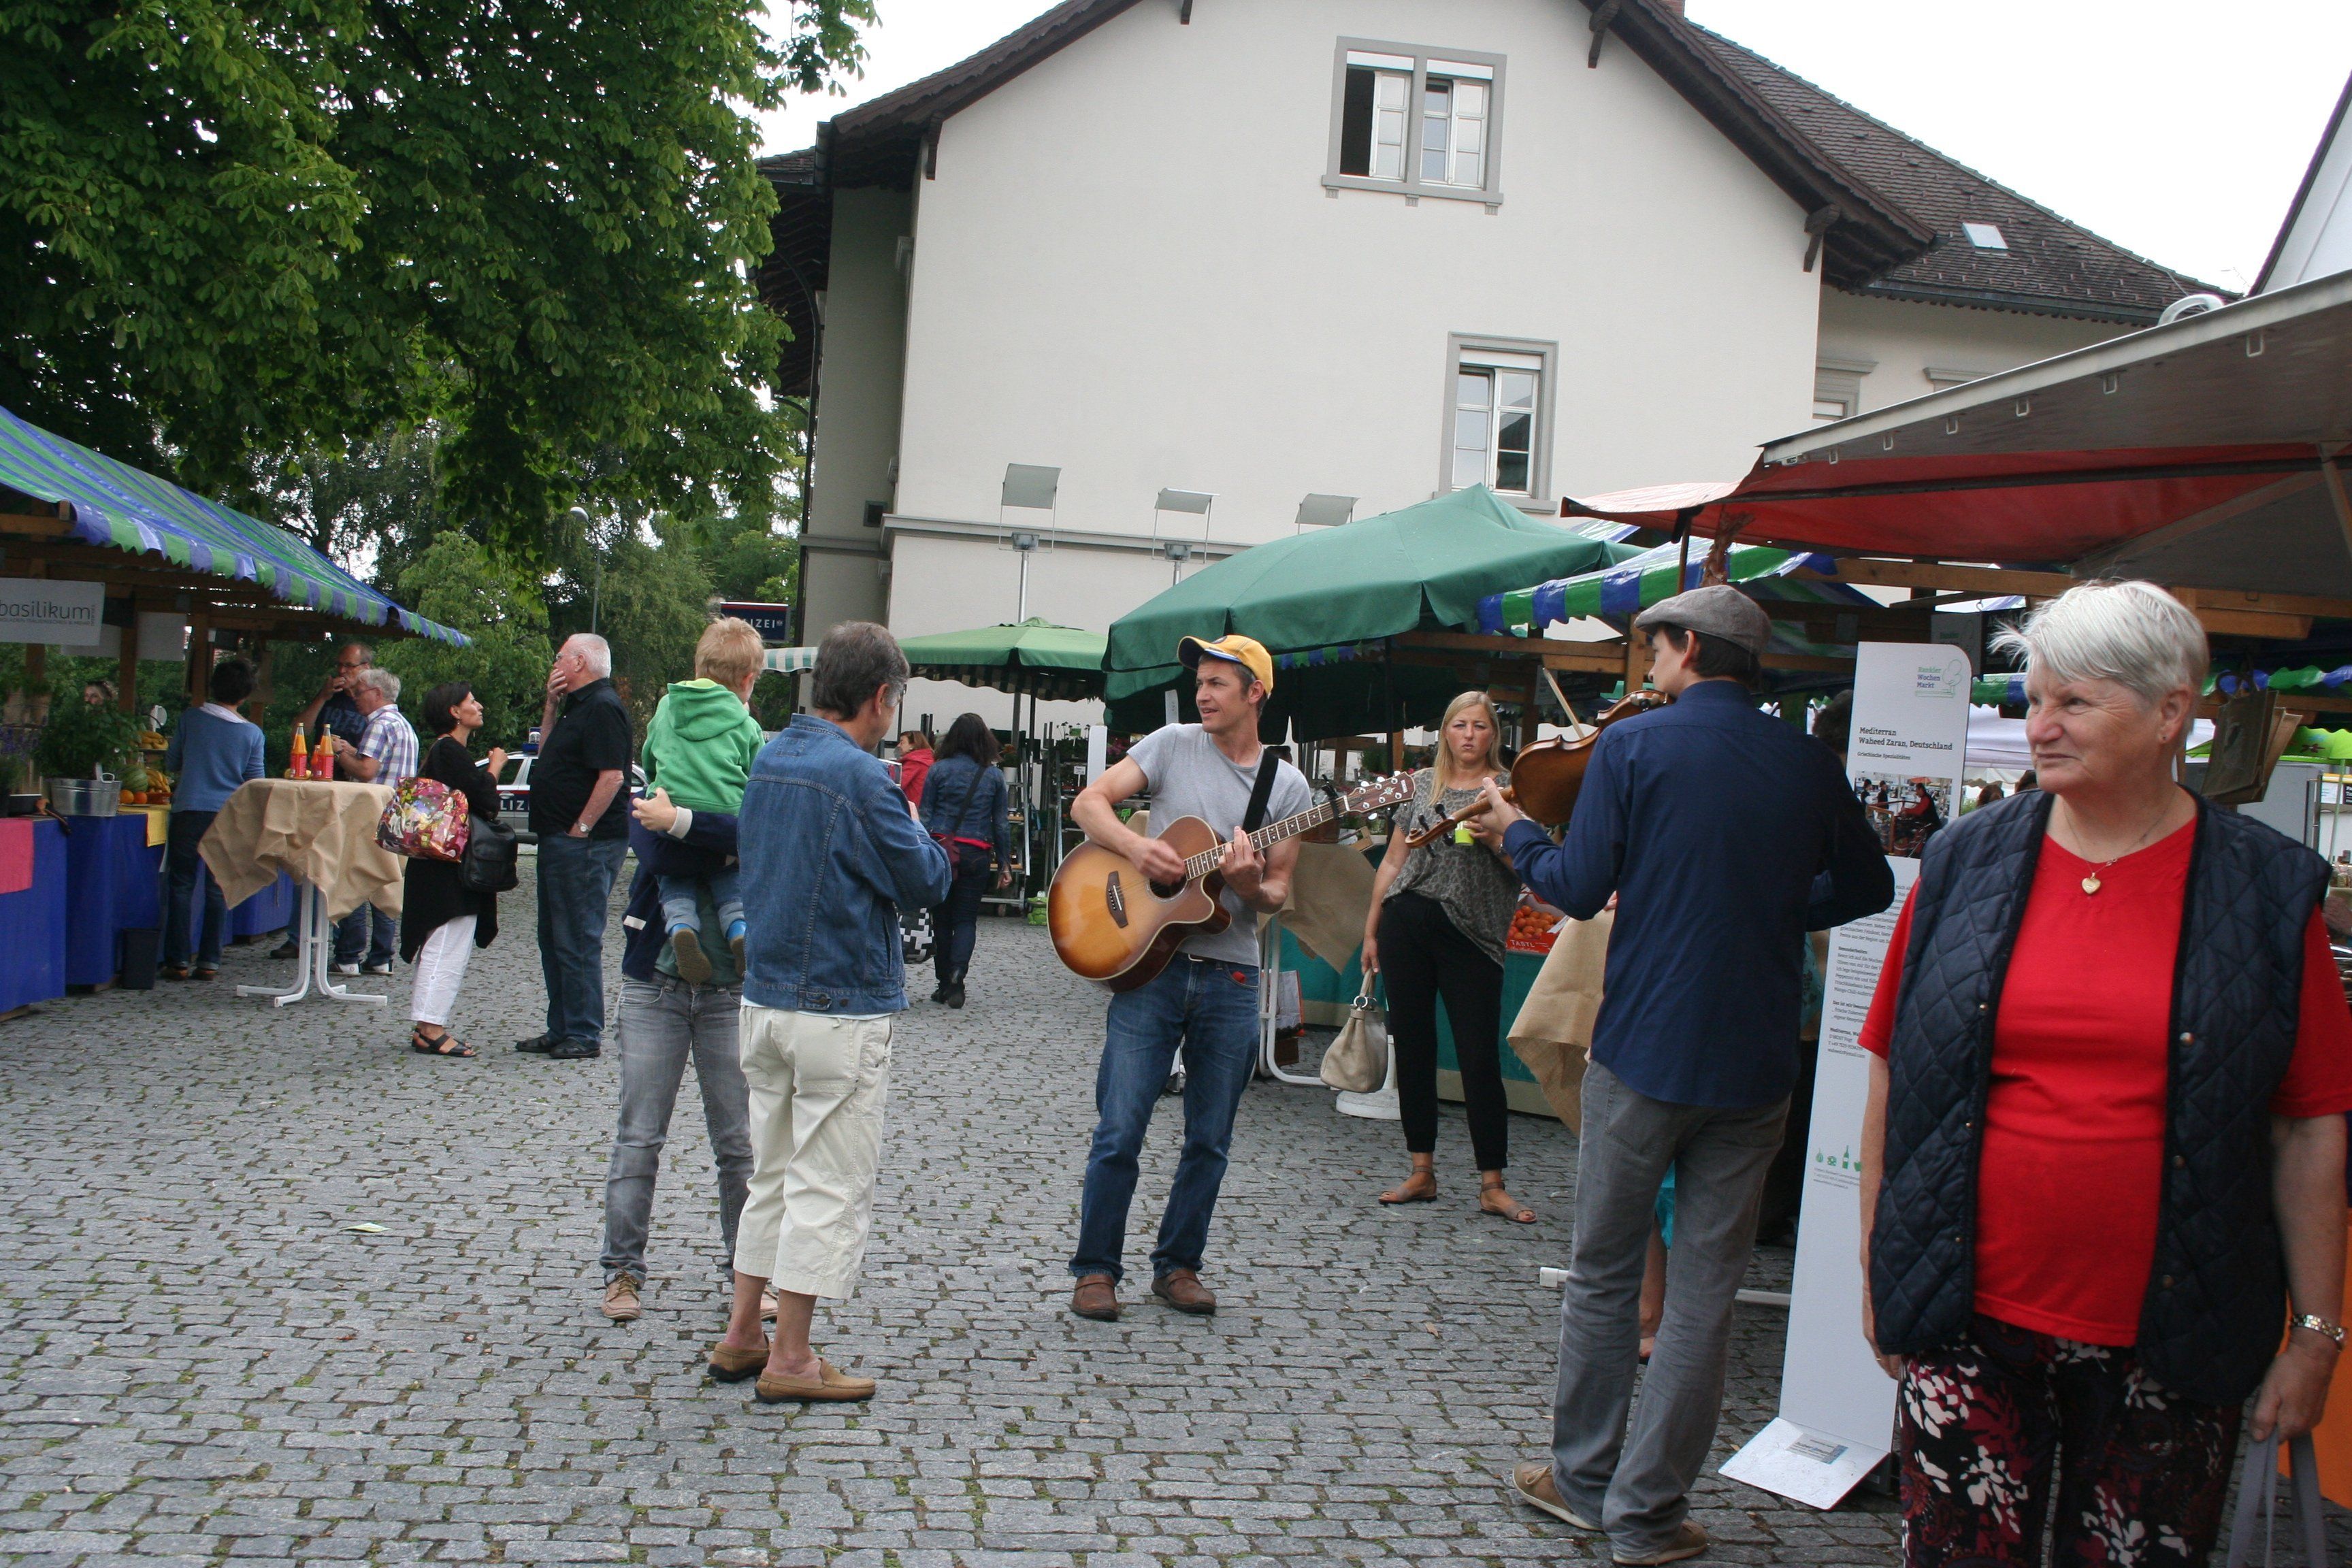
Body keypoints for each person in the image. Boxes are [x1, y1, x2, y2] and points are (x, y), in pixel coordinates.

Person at [1859, 581, 2352, 1566]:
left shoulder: (2265, 889)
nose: (2039, 726)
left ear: (2171, 711)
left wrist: (2315, 1334)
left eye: (2074, 702)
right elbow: (1894, 1075)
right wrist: (1880, 1266)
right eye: (2034, 699)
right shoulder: (1963, 861)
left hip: (2180, 1333)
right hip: (1966, 1317)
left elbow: (2310, 1124)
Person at [1489, 585, 1891, 1566]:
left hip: (1646, 1047)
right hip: (1755, 1060)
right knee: (1706, 1297)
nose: (1649, 662)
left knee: (1603, 1276)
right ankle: (1651, 1515)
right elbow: (1870, 883)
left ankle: (1583, 1483)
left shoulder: (1634, 746)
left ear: (1687, 647)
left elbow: (1576, 885)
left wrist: (1513, 831)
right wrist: (1772, 908)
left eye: (1655, 646)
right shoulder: (1806, 761)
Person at [705, 622, 949, 1403]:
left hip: (765, 999)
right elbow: (927, 879)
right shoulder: (864, 778)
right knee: (826, 1184)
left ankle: (742, 1335)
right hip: (838, 1008)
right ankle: (792, 1359)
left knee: (771, 1176)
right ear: (880, 697)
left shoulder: (770, 756)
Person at [1063, 634, 1311, 1322]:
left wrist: (1249, 883)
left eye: (1217, 683)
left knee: (1210, 1137)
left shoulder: (1287, 787)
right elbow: (1089, 804)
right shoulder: (1172, 745)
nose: (1202, 694)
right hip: (1154, 966)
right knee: (1121, 1127)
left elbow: (1278, 891)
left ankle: (1178, 1266)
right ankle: (1096, 1270)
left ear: (1255, 693)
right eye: (1200, 682)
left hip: (1232, 975)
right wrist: (1139, 846)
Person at [1362, 690, 1531, 1222]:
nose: (1469, 735)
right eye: (1460, 725)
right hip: (1407, 921)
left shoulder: (1508, 789)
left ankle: (1492, 1181)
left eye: (1479, 726)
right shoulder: (1421, 786)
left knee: (1478, 1056)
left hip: (1473, 933)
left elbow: (1530, 864)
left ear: (1493, 734)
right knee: (1413, 1048)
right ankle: (1421, 1169)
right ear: (1446, 732)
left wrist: (1496, 841)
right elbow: (1393, 863)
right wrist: (1371, 930)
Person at [598, 784, 756, 1324]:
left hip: (730, 992)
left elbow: (756, 838)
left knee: (740, 1144)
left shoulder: (746, 793)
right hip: (654, 987)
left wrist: (686, 826)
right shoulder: (648, 797)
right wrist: (725, 847)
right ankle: (622, 1271)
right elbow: (662, 855)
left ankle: (749, 1274)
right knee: (639, 1139)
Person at [517, 634, 633, 1062]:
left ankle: (584, 1032)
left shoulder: (603, 706)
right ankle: (561, 1027)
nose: (555, 664)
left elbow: (612, 777)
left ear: (580, 661)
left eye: (560, 657)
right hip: (559, 837)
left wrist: (581, 829)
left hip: (586, 843)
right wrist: (550, 707)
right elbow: (547, 756)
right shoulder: (577, 706)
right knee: (553, 937)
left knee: (578, 938)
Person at [638, 618, 767, 985]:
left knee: (674, 874)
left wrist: (659, 786)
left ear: (697, 666)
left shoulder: (667, 706)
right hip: (726, 815)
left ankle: (681, 927)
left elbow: (649, 756)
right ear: (748, 680)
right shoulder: (746, 724)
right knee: (727, 873)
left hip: (670, 808)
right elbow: (756, 778)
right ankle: (738, 929)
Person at [399, 682, 504, 1058]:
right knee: (447, 944)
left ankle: (427, 1025)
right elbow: (485, 798)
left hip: (439, 865)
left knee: (443, 941)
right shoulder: (450, 752)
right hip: (447, 869)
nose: (479, 706)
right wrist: (495, 767)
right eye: (471, 702)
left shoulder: (446, 752)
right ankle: (431, 1028)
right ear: (454, 712)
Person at [161, 659, 265, 981]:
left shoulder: (191, 719)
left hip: (188, 809)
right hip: (227, 815)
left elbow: (171, 761)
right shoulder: (252, 733)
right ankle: (209, 960)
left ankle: (178, 960)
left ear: (213, 686)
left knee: (181, 885)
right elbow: (255, 781)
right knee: (218, 888)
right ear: (246, 695)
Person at [919, 713, 1010, 1009]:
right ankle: (958, 975)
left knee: (942, 919)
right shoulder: (993, 776)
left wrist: (920, 853)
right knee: (966, 919)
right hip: (976, 854)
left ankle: (943, 983)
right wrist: (1005, 864)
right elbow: (1001, 824)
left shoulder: (938, 770)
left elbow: (925, 816)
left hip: (942, 853)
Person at [330, 668, 416, 977]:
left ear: (377, 694)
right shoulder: (402, 724)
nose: (354, 697)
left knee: (356, 879)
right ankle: (381, 956)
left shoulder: (379, 724)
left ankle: (348, 955)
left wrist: (337, 752)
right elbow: (379, 763)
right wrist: (352, 751)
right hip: (397, 818)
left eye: (359, 691)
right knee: (385, 883)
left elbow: (367, 771)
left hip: (372, 815)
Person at [896, 730, 934, 808]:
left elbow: (898, 784)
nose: (899, 746)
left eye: (902, 742)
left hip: (911, 806)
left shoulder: (914, 762)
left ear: (912, 745)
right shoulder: (927, 759)